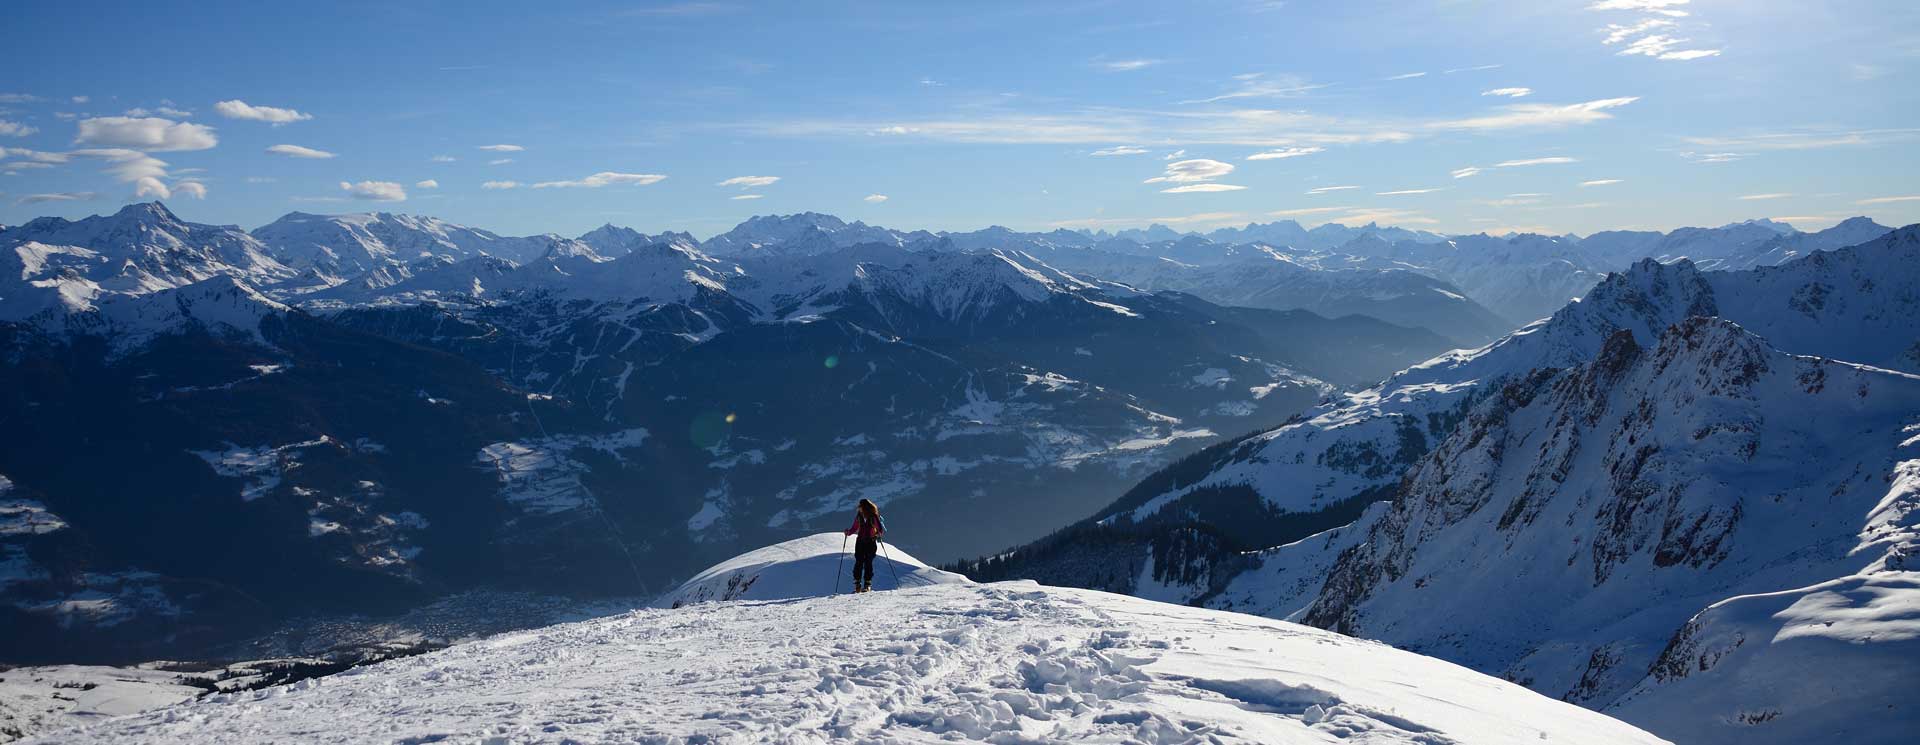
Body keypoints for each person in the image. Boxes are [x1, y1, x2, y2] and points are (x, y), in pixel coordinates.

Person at [843, 498, 886, 593]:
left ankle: (859, 585)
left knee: (861, 562)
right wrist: (877, 534)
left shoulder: (868, 516)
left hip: (862, 542)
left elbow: (854, 528)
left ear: (863, 507)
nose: (859, 508)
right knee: (866, 563)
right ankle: (866, 585)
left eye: (860, 507)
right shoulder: (870, 516)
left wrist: (848, 532)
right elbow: (880, 530)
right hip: (869, 542)